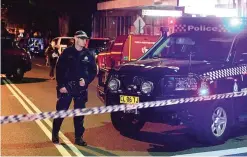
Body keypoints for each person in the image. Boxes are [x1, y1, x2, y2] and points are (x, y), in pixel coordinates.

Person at [52, 30, 97, 146]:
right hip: (67, 87)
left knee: (79, 115)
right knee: (61, 113)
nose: (84, 41)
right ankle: (55, 134)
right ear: (76, 38)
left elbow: (93, 71)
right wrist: (61, 86)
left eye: (85, 39)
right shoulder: (67, 52)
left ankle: (78, 138)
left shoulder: (88, 54)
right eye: (82, 38)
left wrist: (86, 81)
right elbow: (59, 69)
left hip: (81, 89)